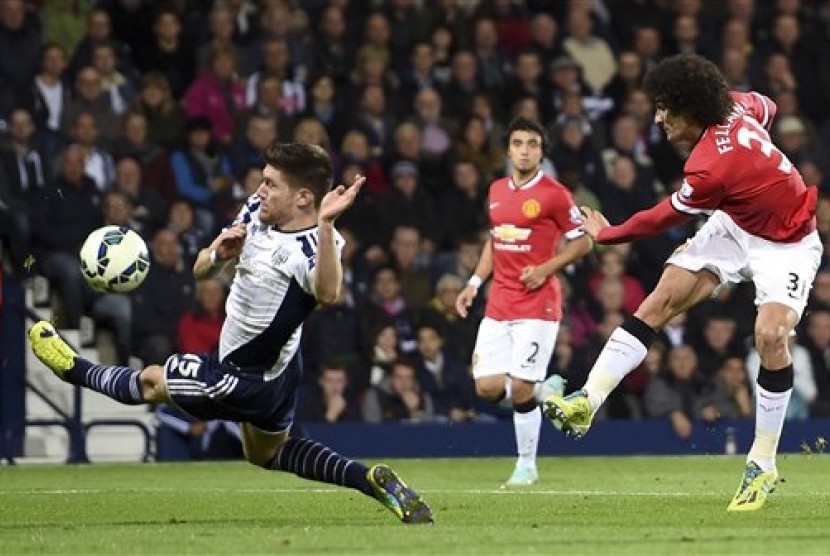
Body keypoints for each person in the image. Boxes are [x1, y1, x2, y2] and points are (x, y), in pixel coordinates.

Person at [28, 142, 433, 524]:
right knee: (266, 453)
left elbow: (328, 293)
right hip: (281, 370)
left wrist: (327, 224)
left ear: (304, 198)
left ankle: (72, 369)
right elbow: (200, 268)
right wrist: (218, 257)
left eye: (271, 183)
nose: (260, 189)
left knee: (152, 382)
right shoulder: (257, 210)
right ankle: (371, 480)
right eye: (263, 178)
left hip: (243, 379)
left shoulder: (316, 245)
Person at [542, 54, 822, 512]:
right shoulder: (735, 107)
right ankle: (586, 402)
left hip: (789, 243)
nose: (657, 118)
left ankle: (762, 463)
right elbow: (766, 105)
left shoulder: (709, 166)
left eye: (664, 109)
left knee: (771, 336)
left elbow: (659, 218)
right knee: (663, 297)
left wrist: (606, 234)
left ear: (690, 109)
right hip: (734, 224)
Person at [455, 116, 592, 486]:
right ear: (508, 150)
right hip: (499, 302)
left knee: (518, 388)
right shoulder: (497, 189)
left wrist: (546, 268)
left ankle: (526, 466)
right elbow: (494, 240)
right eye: (518, 143)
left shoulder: (555, 194)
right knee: (486, 388)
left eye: (532, 144)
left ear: (541, 151)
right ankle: (545, 389)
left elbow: (583, 241)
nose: (525, 151)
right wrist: (472, 282)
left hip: (538, 304)